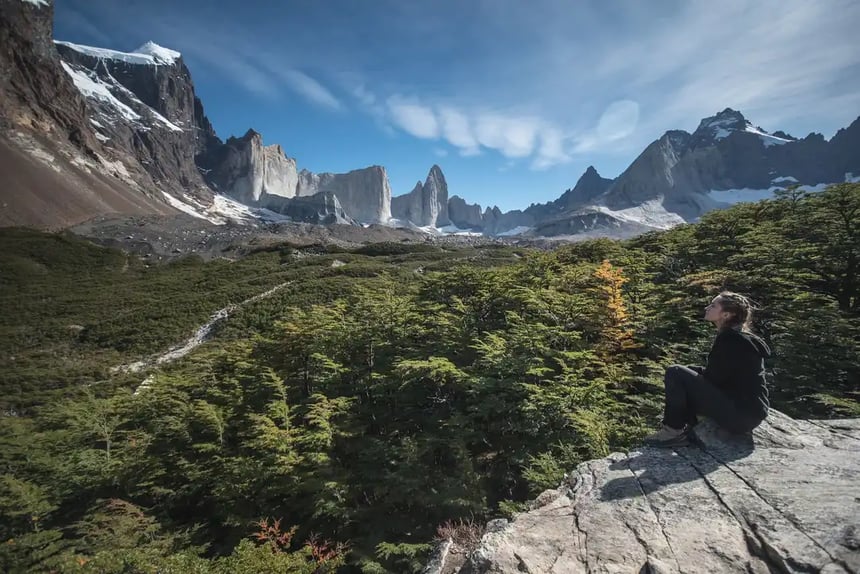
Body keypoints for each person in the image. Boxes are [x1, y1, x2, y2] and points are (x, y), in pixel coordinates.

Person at [644, 291, 771, 448]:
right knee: (686, 372)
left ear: (726, 315)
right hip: (749, 414)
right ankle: (687, 428)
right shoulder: (741, 338)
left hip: (740, 416)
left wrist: (690, 376)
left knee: (675, 371)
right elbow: (724, 376)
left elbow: (715, 379)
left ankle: (673, 431)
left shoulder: (731, 340)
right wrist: (693, 372)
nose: (707, 307)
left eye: (713, 305)